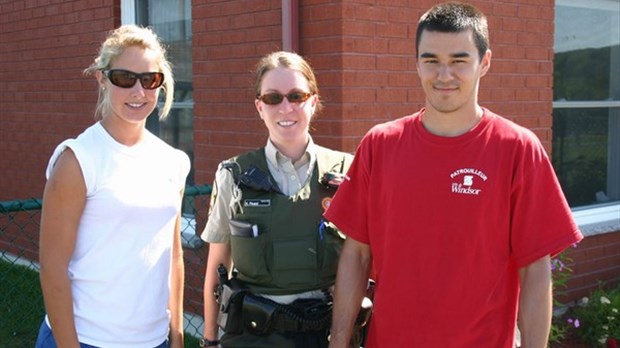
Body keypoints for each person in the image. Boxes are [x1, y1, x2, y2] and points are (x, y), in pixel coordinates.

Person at [325, 2, 583, 347]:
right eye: (431, 60)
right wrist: (338, 341)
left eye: (459, 61)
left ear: (484, 62)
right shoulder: (380, 145)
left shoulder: (518, 148)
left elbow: (535, 270)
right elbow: (356, 255)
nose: (443, 75)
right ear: (417, 63)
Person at [36, 25, 189, 348]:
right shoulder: (78, 160)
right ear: (102, 78)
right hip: (86, 340)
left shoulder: (173, 161)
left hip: (154, 341)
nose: (138, 91)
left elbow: (173, 257)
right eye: (124, 78)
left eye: (149, 80)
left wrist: (176, 336)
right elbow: (52, 269)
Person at [200, 51, 353, 348]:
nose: (285, 108)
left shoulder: (347, 172)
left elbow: (363, 260)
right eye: (273, 98)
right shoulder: (233, 174)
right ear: (259, 107)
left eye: (296, 96)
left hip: (326, 335)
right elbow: (217, 267)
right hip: (252, 336)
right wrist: (209, 340)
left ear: (313, 101)